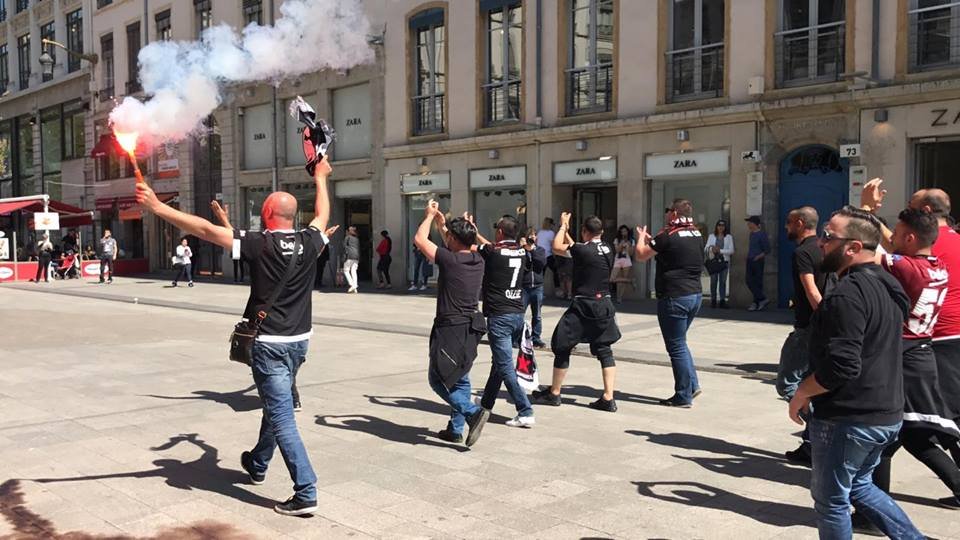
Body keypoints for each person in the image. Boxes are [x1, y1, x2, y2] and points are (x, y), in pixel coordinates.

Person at [135, 154, 335, 516]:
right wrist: (321, 177)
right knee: (277, 408)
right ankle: (258, 463)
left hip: (269, 345)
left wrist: (157, 207)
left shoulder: (261, 243)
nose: (260, 214)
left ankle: (306, 491)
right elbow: (322, 214)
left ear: (270, 216)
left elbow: (206, 231)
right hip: (299, 342)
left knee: (283, 416)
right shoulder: (310, 240)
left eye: (263, 210)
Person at [788, 206, 924, 539]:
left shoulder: (847, 296)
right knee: (860, 486)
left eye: (828, 237)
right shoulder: (887, 286)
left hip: (852, 419)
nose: (821, 243)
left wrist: (802, 392)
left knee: (830, 501)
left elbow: (842, 365)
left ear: (852, 247)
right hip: (883, 411)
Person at [862, 180, 960, 510]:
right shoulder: (940, 261)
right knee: (917, 432)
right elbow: (894, 244)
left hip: (917, 352)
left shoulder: (909, 265)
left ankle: (872, 508)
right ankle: (872, 506)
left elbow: (869, 251)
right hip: (929, 347)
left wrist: (865, 210)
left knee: (908, 428)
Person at [415, 200, 490, 447]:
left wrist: (428, 216)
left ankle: (472, 412)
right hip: (472, 328)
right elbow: (456, 240)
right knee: (461, 378)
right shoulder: (478, 259)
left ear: (455, 242)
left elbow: (420, 240)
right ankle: (455, 429)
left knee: (437, 379)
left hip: (451, 328)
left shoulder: (450, 260)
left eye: (449, 238)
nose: (447, 239)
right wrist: (442, 223)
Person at [531, 212, 620, 412]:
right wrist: (572, 236)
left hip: (583, 305)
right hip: (604, 304)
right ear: (601, 232)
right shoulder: (607, 248)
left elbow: (556, 247)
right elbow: (578, 249)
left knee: (562, 344)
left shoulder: (582, 249)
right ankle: (608, 397)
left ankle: (554, 393)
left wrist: (563, 226)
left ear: (585, 232)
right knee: (604, 349)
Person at [635, 200, 705, 408]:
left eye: (668, 211)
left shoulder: (668, 235)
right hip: (695, 295)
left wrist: (640, 239)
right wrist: (653, 241)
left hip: (674, 296)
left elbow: (640, 255)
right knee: (681, 343)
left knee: (675, 346)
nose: (666, 214)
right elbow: (671, 251)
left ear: (674, 213)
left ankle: (683, 395)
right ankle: (692, 384)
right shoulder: (696, 233)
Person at [777, 207, 830, 465]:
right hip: (820, 325)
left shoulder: (802, 252)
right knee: (814, 383)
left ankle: (821, 430)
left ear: (800, 223)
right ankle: (811, 445)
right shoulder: (824, 247)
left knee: (788, 383)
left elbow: (811, 290)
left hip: (809, 327)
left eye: (789, 223)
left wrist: (822, 319)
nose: (786, 228)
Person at [474, 215, 536, 428]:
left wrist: (471, 229)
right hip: (517, 313)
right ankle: (486, 403)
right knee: (498, 364)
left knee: (505, 365)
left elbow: (476, 246)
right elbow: (489, 246)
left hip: (499, 315)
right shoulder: (523, 252)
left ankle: (525, 410)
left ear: (500, 231)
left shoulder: (493, 252)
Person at [521, 227, 548, 349]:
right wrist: (522, 248)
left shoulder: (540, 250)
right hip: (524, 287)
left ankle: (536, 338)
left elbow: (541, 264)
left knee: (537, 315)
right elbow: (522, 265)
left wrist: (532, 251)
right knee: (520, 314)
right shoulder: (521, 251)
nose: (532, 238)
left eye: (534, 236)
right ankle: (518, 337)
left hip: (537, 286)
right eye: (530, 236)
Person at [704, 220, 734, 309]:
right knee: (713, 281)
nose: (721, 227)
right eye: (719, 225)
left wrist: (720, 250)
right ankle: (713, 300)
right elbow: (706, 248)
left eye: (723, 225)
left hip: (724, 263)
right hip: (714, 262)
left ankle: (722, 300)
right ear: (716, 226)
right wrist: (711, 249)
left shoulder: (728, 237)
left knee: (723, 282)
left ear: (725, 227)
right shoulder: (711, 236)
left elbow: (731, 250)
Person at [744, 216, 771, 311]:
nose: (748, 224)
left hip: (758, 261)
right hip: (750, 260)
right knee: (749, 280)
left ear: (755, 224)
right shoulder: (751, 234)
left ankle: (756, 302)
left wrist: (758, 256)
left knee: (757, 282)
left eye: (750, 222)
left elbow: (767, 250)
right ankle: (762, 299)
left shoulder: (762, 235)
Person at [610, 225, 635, 304]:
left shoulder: (631, 240)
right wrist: (621, 244)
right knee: (612, 279)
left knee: (622, 281)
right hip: (618, 260)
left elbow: (631, 253)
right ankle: (631, 281)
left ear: (628, 232)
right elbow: (617, 251)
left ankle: (619, 298)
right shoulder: (617, 240)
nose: (624, 233)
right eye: (622, 231)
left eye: (625, 231)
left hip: (627, 260)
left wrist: (628, 246)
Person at [536, 217, 559, 293]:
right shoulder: (551, 233)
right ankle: (558, 289)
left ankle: (539, 291)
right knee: (556, 271)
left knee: (541, 274)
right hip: (548, 255)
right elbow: (553, 245)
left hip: (540, 254)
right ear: (550, 224)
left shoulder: (540, 232)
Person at [342, 226, 360, 294]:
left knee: (346, 270)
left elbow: (344, 247)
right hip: (356, 256)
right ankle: (354, 286)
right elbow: (358, 248)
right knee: (354, 271)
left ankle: (352, 285)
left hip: (349, 256)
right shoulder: (357, 239)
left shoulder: (347, 237)